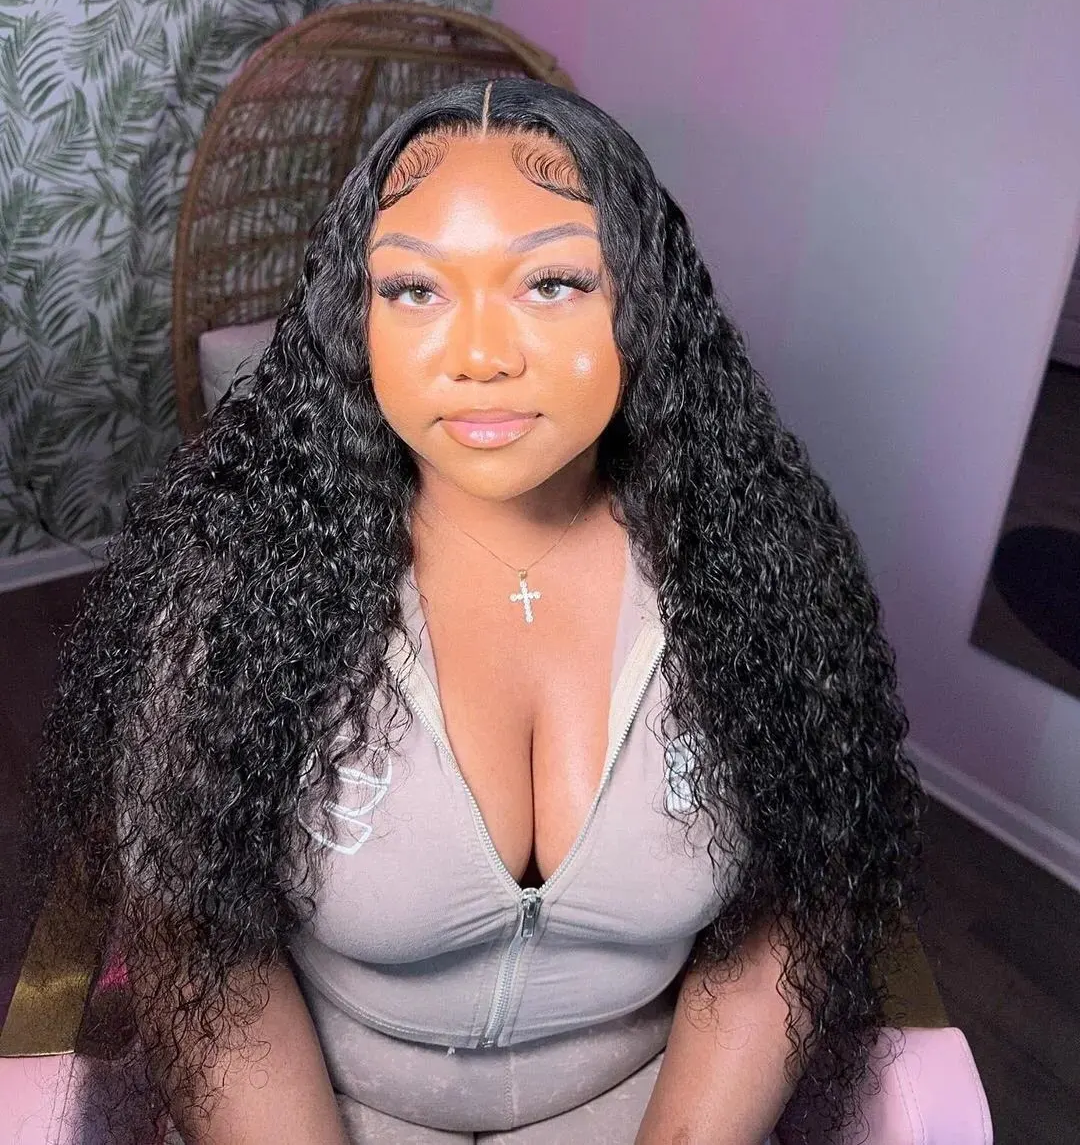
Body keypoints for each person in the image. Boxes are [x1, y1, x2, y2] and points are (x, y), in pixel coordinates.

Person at [22, 77, 921, 1145]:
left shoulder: (761, 568)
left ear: (645, 304)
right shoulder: (239, 581)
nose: (481, 355)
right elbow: (196, 942)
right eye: (414, 290)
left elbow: (791, 911)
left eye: (553, 282)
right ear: (353, 319)